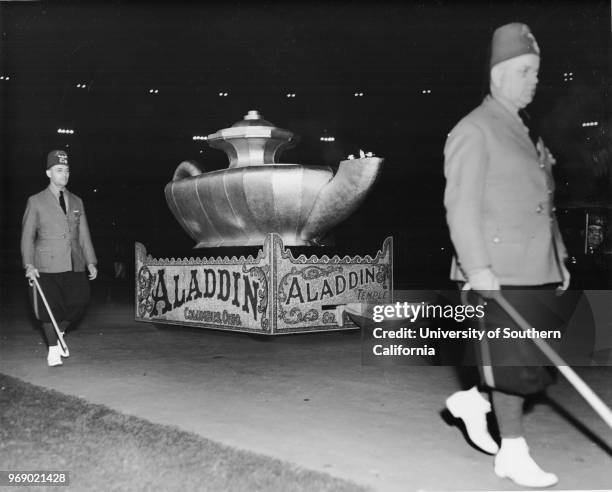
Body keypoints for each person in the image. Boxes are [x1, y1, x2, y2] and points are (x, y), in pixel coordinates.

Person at [442, 23, 570, 488]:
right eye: (523, 70)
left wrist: (559, 259)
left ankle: (473, 402)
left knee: (527, 361)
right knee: (514, 365)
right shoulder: (474, 130)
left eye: (536, 70)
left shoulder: (523, 131)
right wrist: (478, 268)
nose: (533, 79)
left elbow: (543, 205)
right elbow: (461, 207)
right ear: (497, 74)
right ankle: (513, 454)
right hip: (493, 270)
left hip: (532, 267)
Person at [21, 150, 98, 367]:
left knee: (80, 302)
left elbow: (84, 234)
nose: (64, 174)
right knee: (49, 308)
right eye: (59, 170)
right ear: (48, 173)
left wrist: (91, 261)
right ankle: (53, 350)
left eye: (66, 170)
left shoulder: (77, 201)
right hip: (45, 263)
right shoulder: (35, 201)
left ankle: (59, 331)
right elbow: (27, 236)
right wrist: (29, 264)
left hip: (74, 261)